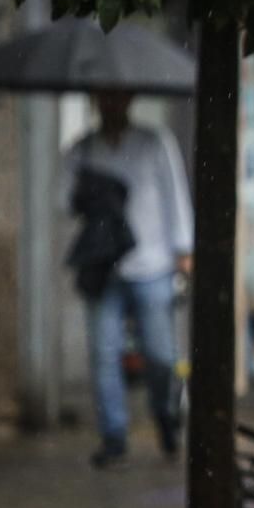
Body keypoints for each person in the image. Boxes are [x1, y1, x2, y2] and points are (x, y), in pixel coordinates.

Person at [61, 90, 193, 469]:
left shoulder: (155, 143)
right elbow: (63, 199)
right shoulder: (83, 150)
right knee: (104, 353)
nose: (111, 105)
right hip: (104, 267)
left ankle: (165, 414)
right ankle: (114, 436)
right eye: (104, 98)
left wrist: (183, 249)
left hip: (152, 263)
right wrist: (91, 195)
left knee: (160, 355)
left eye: (117, 98)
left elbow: (174, 194)